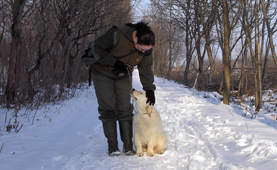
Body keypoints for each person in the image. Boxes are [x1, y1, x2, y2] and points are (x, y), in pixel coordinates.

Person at [85, 21, 156, 156]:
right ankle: (113, 147)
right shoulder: (117, 34)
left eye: (146, 50)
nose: (143, 52)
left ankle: (128, 146)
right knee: (108, 108)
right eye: (141, 48)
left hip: (123, 74)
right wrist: (115, 63)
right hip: (102, 72)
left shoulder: (146, 48)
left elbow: (145, 68)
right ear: (135, 38)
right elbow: (97, 47)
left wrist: (149, 89)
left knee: (125, 107)